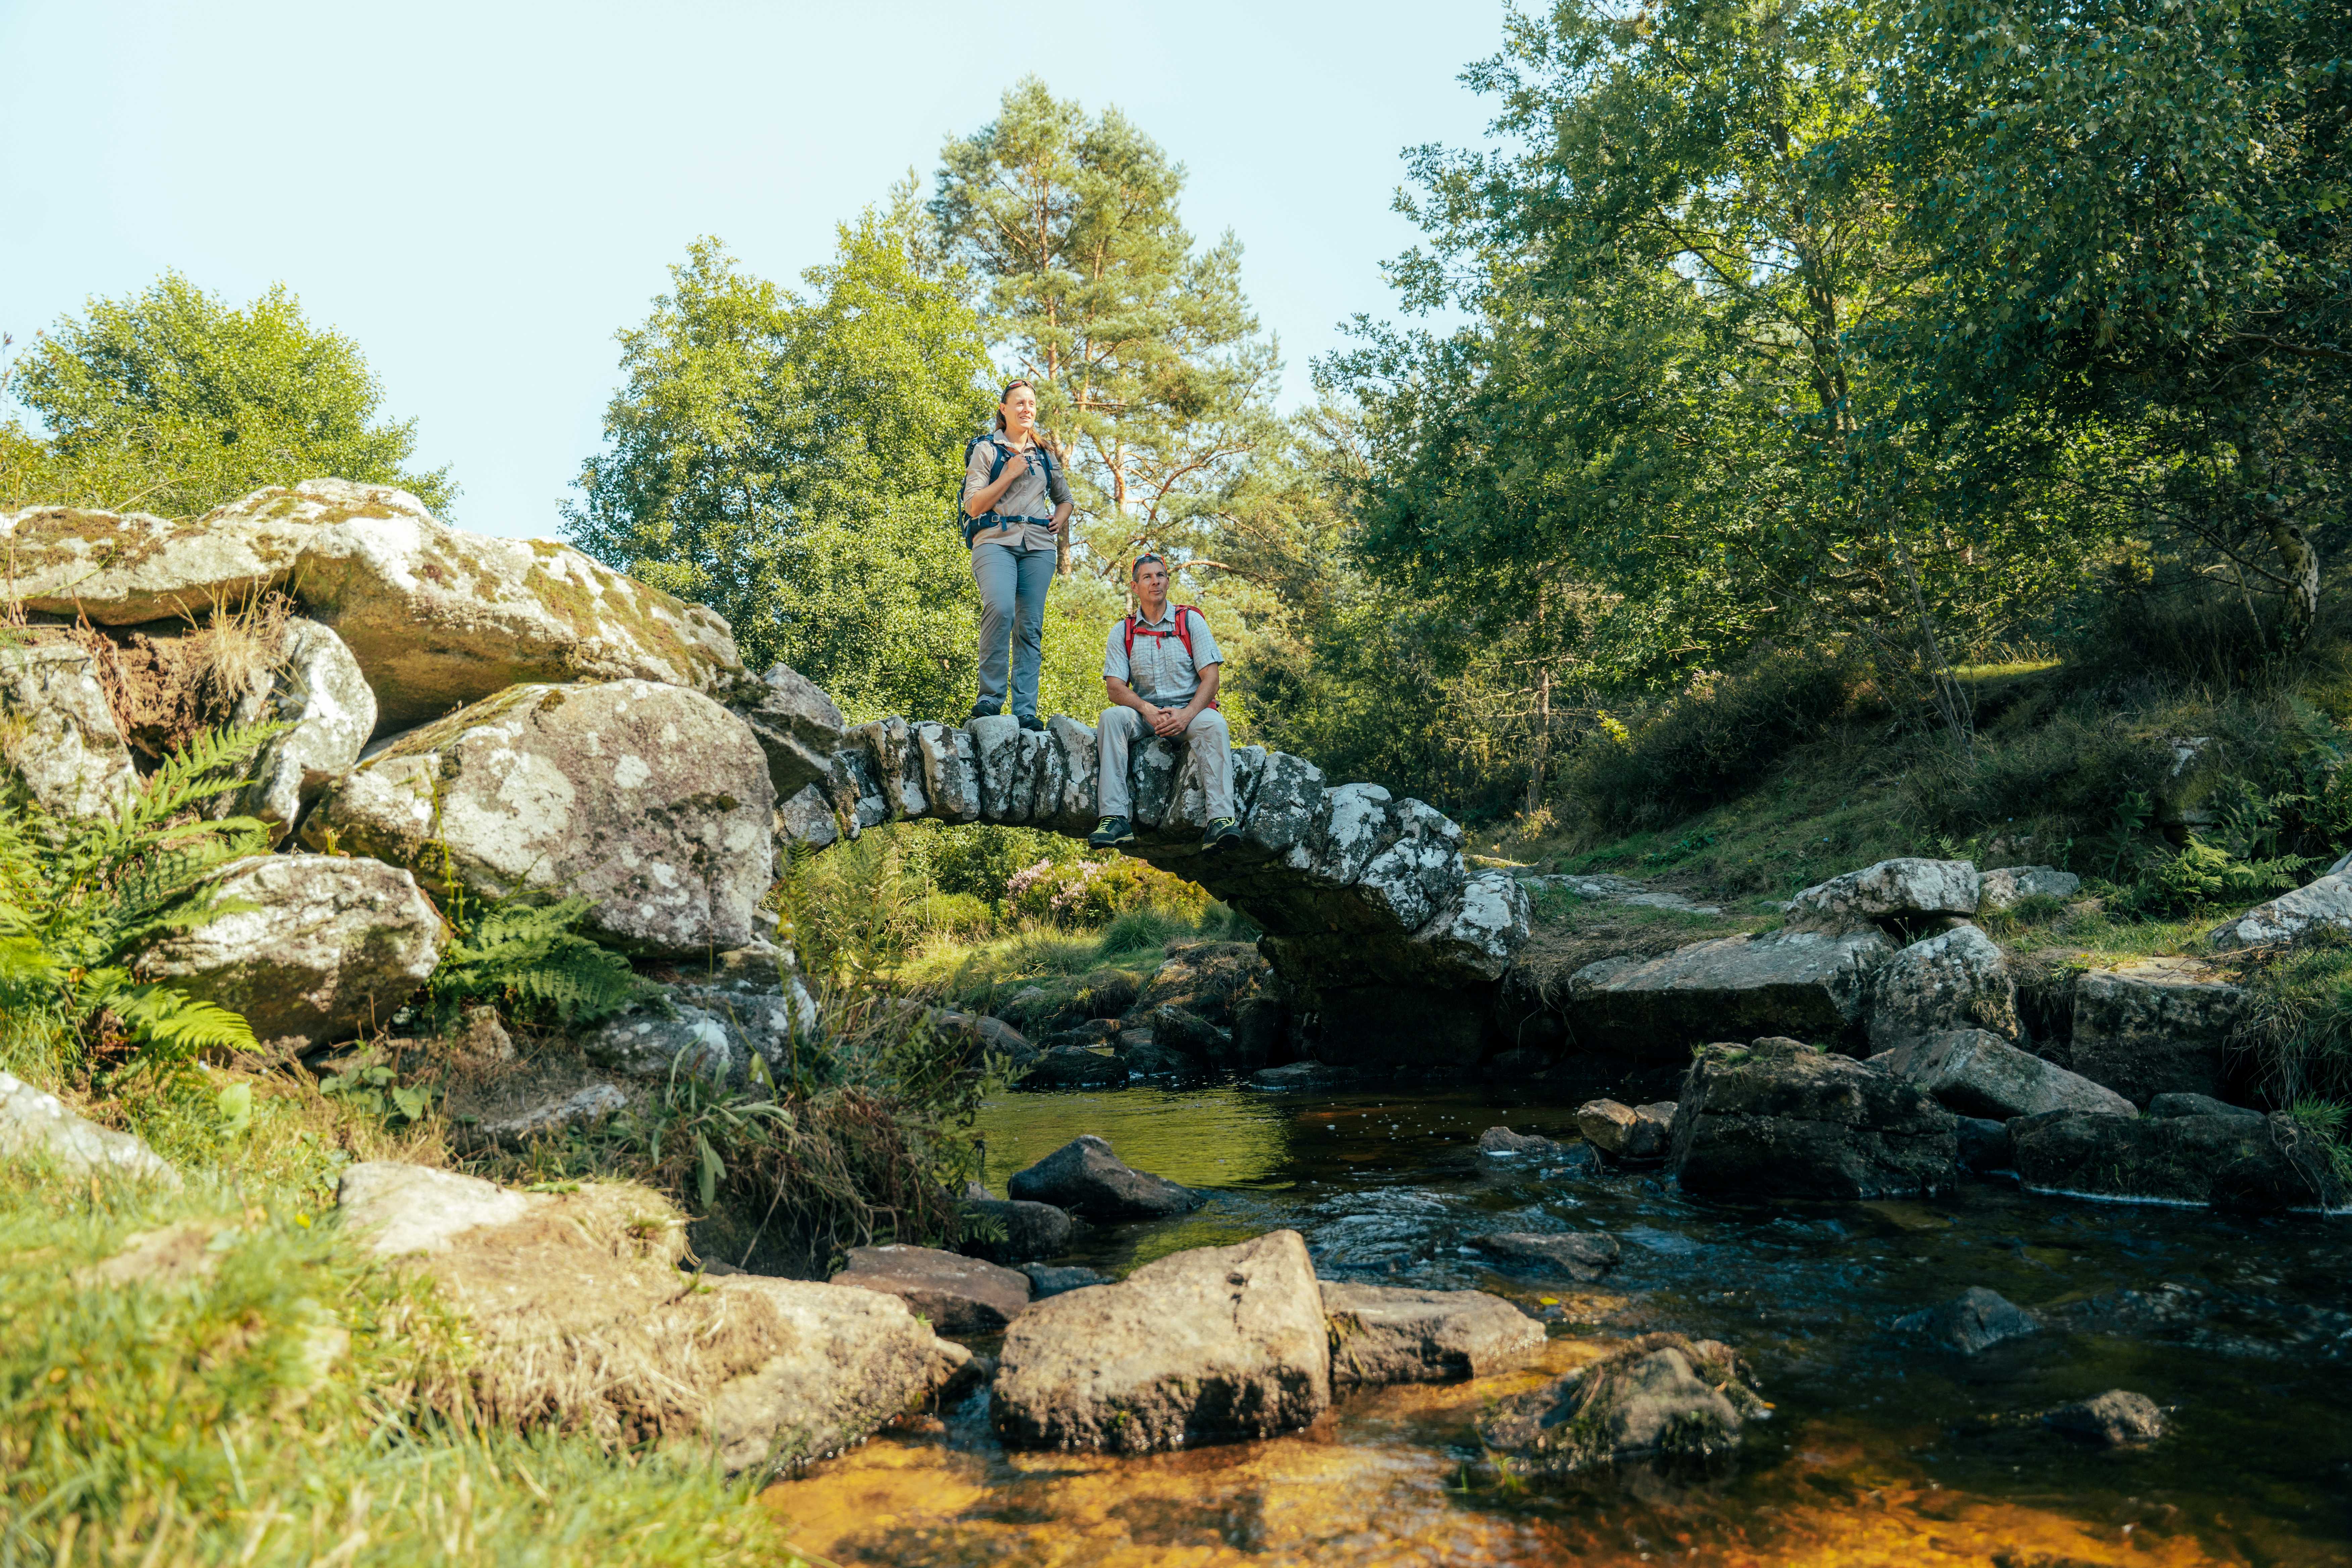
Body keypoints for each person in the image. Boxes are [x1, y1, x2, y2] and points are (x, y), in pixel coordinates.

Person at [1087, 554, 1242, 852]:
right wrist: (1146, 709)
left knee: (1215, 724)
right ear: (1135, 587)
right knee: (1111, 717)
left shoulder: (1190, 621)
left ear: (1168, 581)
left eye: (1160, 575)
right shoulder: (1123, 631)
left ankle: (1221, 821)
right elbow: (1115, 688)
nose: (1155, 582)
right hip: (1146, 715)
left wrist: (1187, 715)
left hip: (1190, 713)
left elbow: (1211, 678)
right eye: (1147, 577)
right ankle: (1114, 819)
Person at [962, 378, 1073, 729]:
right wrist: (1008, 474)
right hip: (995, 539)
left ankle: (1026, 710)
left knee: (1030, 626)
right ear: (1004, 409)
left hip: (1039, 546)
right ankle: (989, 700)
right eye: (1020, 404)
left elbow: (1065, 498)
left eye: (1032, 404)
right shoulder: (986, 449)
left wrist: (1060, 518)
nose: (1028, 409)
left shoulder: (1045, 453)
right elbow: (974, 505)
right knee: (1001, 607)